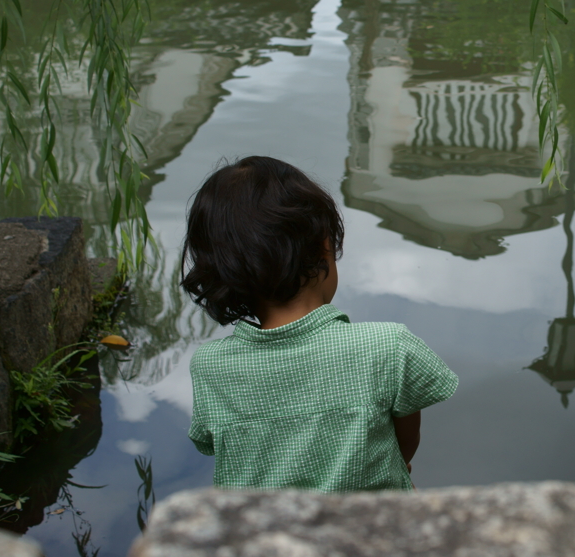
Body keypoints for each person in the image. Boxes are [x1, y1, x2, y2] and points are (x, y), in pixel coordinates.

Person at [180, 156, 458, 492]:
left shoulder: (211, 368)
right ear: (325, 244)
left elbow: (216, 446)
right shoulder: (387, 346)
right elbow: (405, 443)